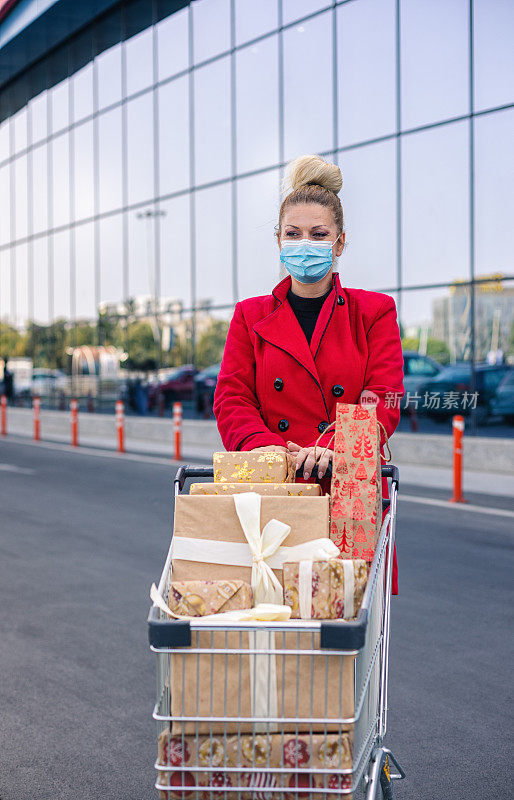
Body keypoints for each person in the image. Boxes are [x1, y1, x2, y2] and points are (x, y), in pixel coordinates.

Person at [213, 155, 404, 592]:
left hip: (347, 490)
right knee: (272, 616)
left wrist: (329, 447)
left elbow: (383, 394)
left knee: (344, 634)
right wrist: (276, 452)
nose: (305, 244)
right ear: (278, 241)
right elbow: (232, 400)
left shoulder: (373, 312)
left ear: (339, 243)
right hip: (273, 491)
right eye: (293, 234)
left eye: (319, 235)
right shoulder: (249, 316)